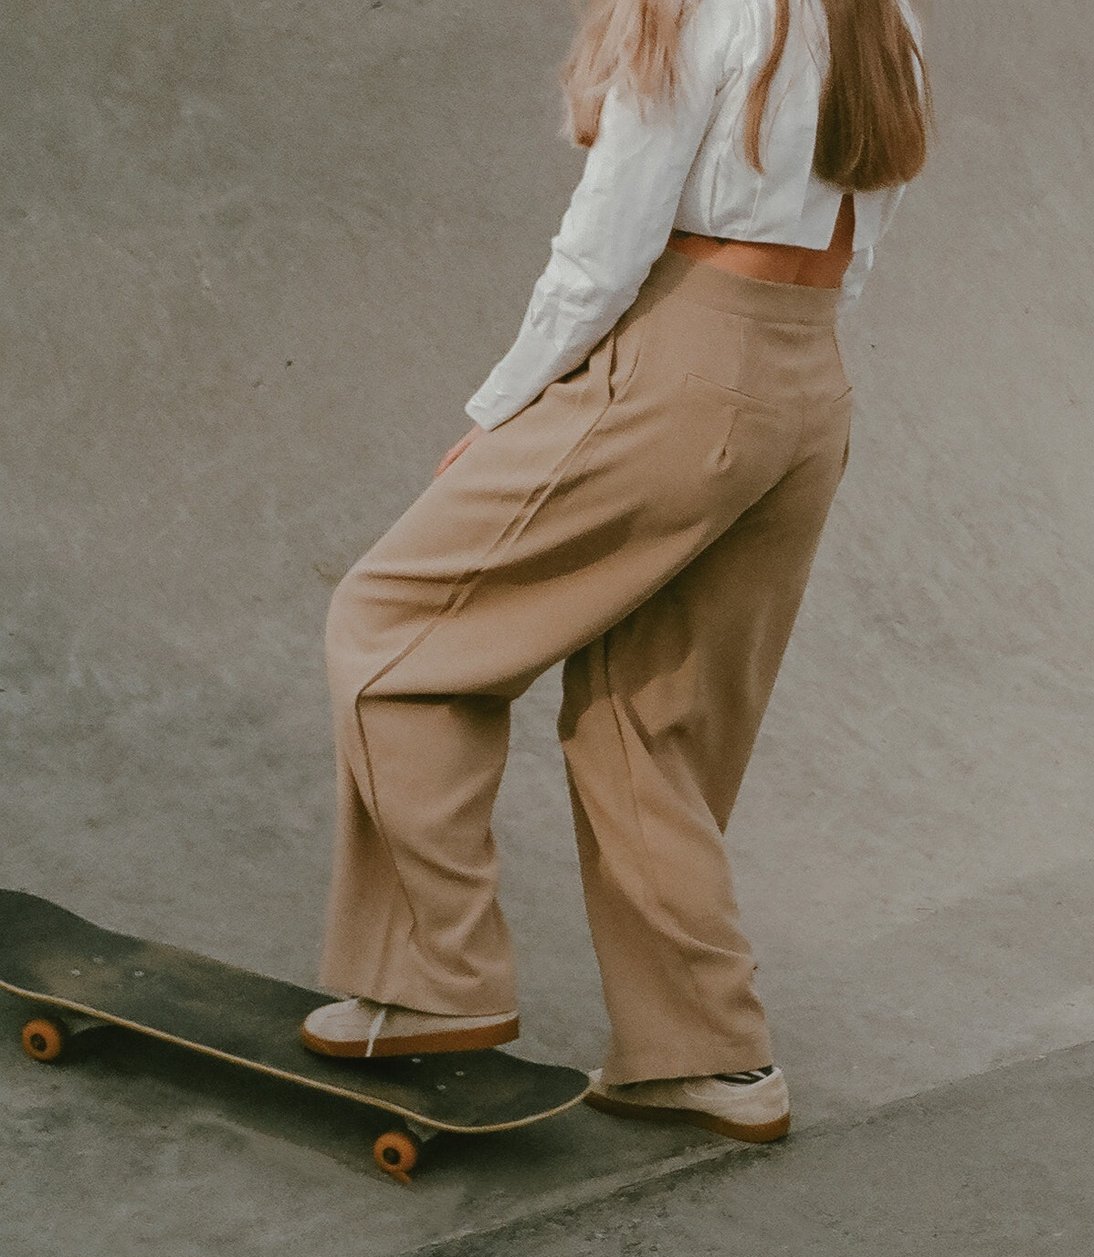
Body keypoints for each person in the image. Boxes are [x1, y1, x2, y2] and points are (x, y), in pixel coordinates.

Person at [300, 0, 930, 1144]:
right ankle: (706, 1056)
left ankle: (433, 980)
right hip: (809, 378)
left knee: (393, 624)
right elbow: (866, 226)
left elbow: (607, 239)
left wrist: (505, 408)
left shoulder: (702, 9)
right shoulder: (884, 19)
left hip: (683, 358)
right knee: (651, 724)